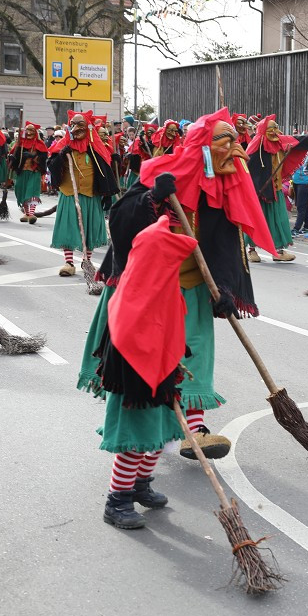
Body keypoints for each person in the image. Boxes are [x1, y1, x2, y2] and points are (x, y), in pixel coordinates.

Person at [83, 106, 270, 463]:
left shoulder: (224, 188)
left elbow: (226, 247)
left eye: (236, 141)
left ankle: (192, 429)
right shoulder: (161, 172)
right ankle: (134, 430)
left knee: (194, 355)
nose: (235, 149)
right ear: (203, 145)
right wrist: (152, 197)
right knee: (144, 363)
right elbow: (121, 222)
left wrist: (225, 290)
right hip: (149, 290)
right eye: (225, 141)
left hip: (192, 288)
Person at [96, 215, 198, 529]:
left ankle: (141, 484)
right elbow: (129, 333)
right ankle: (118, 500)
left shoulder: (164, 280)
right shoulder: (137, 285)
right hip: (135, 376)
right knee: (135, 437)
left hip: (162, 369)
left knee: (159, 434)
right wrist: (153, 363)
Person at [47, 111, 118, 276]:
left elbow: (104, 171)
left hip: (90, 194)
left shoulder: (95, 147)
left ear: (88, 128)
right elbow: (52, 168)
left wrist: (107, 194)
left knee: (89, 228)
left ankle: (87, 260)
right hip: (69, 193)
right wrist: (61, 155)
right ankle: (69, 262)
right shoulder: (63, 146)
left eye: (81, 125)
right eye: (73, 124)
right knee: (68, 228)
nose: (76, 128)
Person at [245, 114, 299, 261]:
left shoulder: (278, 144)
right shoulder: (255, 146)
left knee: (279, 220)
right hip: (259, 192)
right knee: (257, 220)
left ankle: (279, 251)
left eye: (276, 127)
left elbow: (298, 142)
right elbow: (249, 170)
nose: (275, 130)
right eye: (271, 128)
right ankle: (251, 250)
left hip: (276, 190)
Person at [10, 121, 48, 224]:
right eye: (27, 130)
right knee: (21, 191)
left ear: (35, 132)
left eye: (31, 130)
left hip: (34, 172)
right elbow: (14, 155)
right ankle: (26, 214)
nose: (29, 132)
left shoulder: (40, 144)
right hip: (22, 172)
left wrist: (33, 156)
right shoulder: (20, 144)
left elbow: (44, 158)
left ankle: (31, 214)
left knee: (32, 192)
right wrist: (13, 158)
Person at [291, 163, 308, 236]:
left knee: (301, 206)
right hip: (296, 180)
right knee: (304, 205)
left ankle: (297, 228)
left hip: (305, 182)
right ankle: (307, 227)